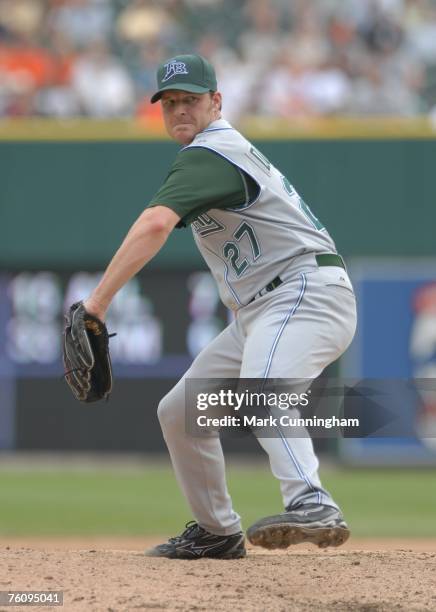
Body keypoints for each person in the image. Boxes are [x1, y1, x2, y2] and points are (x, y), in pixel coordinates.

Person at [82, 54, 357, 559]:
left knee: (262, 386)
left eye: (190, 99)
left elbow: (154, 225)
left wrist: (95, 304)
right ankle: (217, 532)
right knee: (181, 412)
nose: (179, 110)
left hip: (303, 290)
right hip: (264, 307)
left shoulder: (210, 152)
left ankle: (313, 502)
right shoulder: (209, 153)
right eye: (169, 103)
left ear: (216, 102)